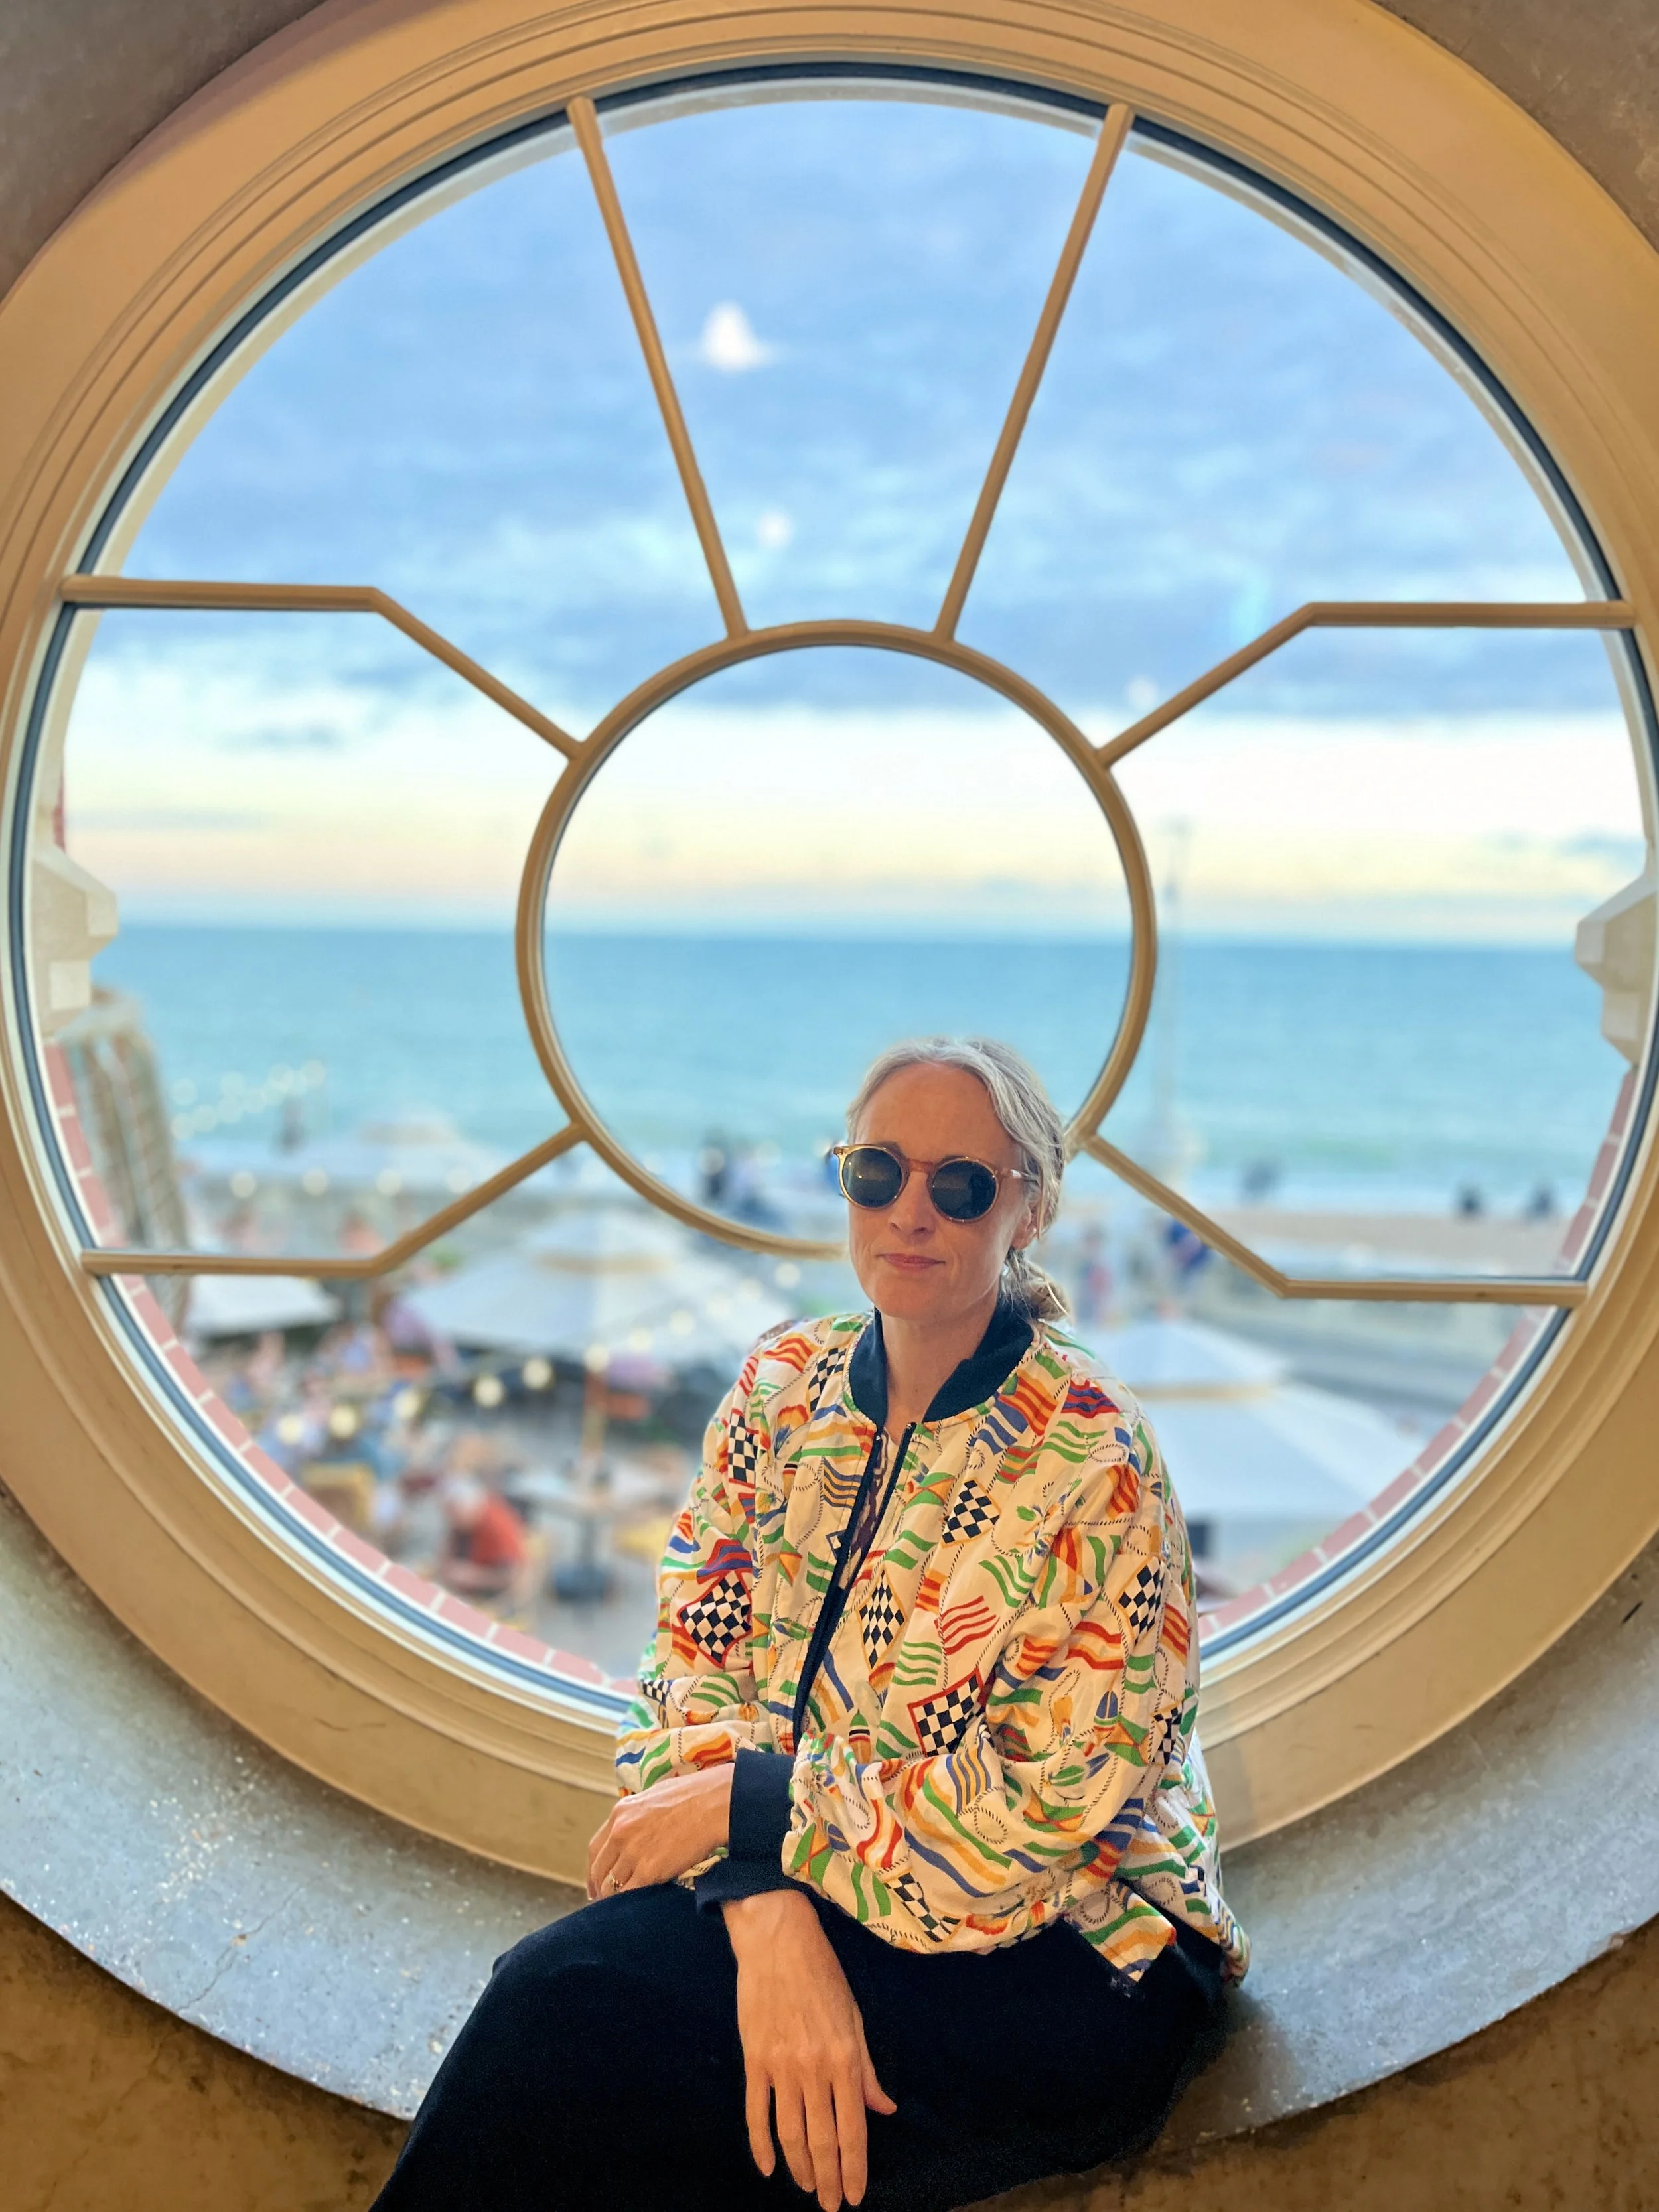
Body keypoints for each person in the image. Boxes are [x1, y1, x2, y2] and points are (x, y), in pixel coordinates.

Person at [375, 1038, 1248, 2212]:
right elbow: (687, 1670)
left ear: (1027, 1209)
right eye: (878, 1172)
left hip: (1081, 1948)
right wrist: (760, 1898)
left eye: (961, 1185)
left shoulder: (1094, 1451)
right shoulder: (781, 1387)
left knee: (592, 2038)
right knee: (572, 2014)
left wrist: (752, 1811)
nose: (912, 1211)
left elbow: (1035, 1817)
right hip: (833, 1881)